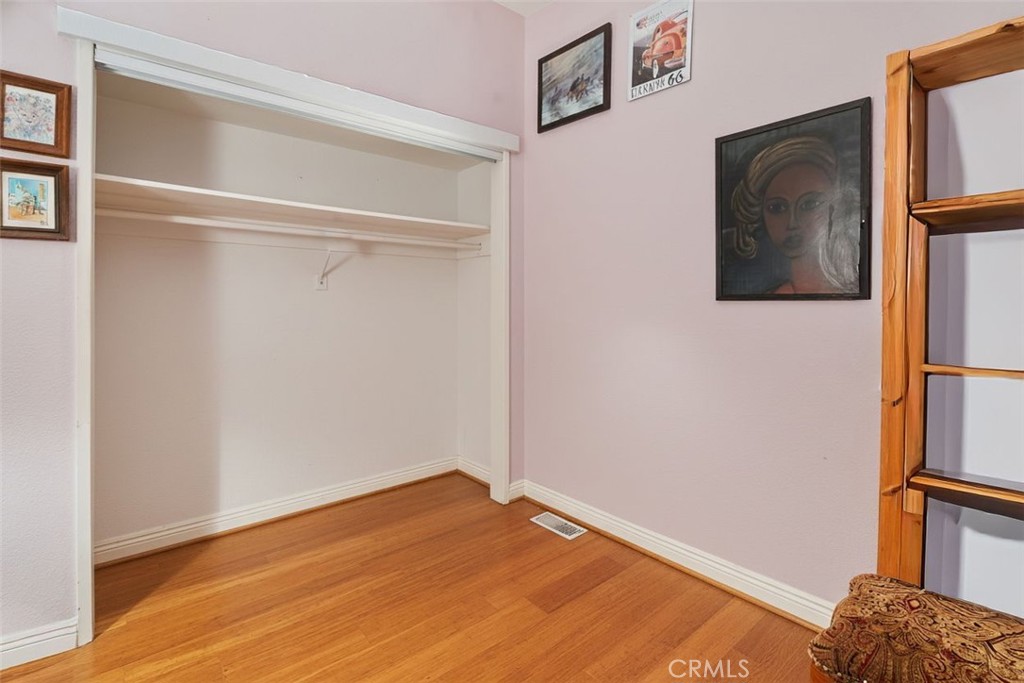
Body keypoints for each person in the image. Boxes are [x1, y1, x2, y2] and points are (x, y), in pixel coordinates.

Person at [730, 135, 859, 294]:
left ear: (835, 208)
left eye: (809, 204)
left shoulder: (851, 292)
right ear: (761, 213)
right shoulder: (770, 297)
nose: (792, 223)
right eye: (777, 207)